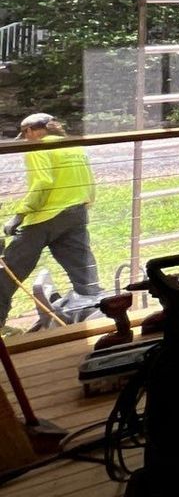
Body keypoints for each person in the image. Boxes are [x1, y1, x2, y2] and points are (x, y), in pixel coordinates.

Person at [2, 113, 101, 332]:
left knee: (8, 272)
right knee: (85, 275)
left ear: (29, 131)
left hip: (45, 218)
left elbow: (42, 183)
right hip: (76, 213)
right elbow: (90, 181)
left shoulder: (37, 147)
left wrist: (19, 215)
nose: (25, 140)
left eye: (25, 135)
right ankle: (98, 319)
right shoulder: (73, 146)